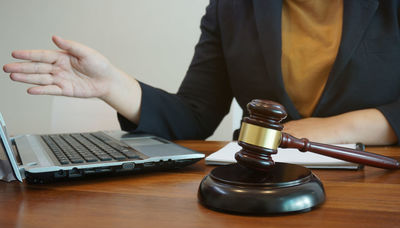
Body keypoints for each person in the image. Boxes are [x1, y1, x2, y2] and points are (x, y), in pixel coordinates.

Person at [3, 0, 399, 145]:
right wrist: (113, 85)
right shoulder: (231, 7)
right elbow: (195, 114)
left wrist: (338, 128)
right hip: (262, 198)